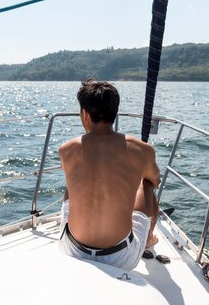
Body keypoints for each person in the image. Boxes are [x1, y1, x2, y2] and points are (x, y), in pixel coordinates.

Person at [58, 79, 160, 271]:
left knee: (72, 181)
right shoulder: (142, 149)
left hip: (72, 249)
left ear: (84, 114)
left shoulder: (66, 149)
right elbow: (155, 180)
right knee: (146, 182)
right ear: (115, 112)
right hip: (120, 257)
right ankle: (147, 238)